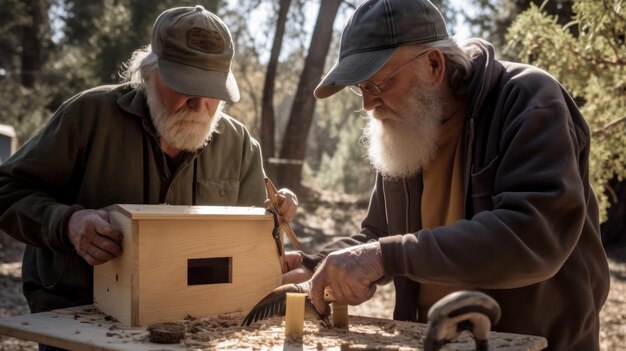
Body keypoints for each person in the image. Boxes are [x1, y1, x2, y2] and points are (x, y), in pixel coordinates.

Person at [281, 0, 610, 350]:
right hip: (434, 340)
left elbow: (532, 233)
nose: (367, 104)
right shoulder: (406, 128)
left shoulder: (528, 100)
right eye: (360, 88)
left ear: (434, 65)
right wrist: (318, 265)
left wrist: (384, 256)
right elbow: (381, 235)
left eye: (376, 84)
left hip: (534, 342)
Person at [0, 4, 297, 320]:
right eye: (185, 86)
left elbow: (253, 245)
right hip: (79, 315)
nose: (200, 105)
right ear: (149, 73)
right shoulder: (88, 117)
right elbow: (7, 188)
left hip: (196, 322)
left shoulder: (239, 146)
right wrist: (67, 223)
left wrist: (276, 223)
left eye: (212, 91)